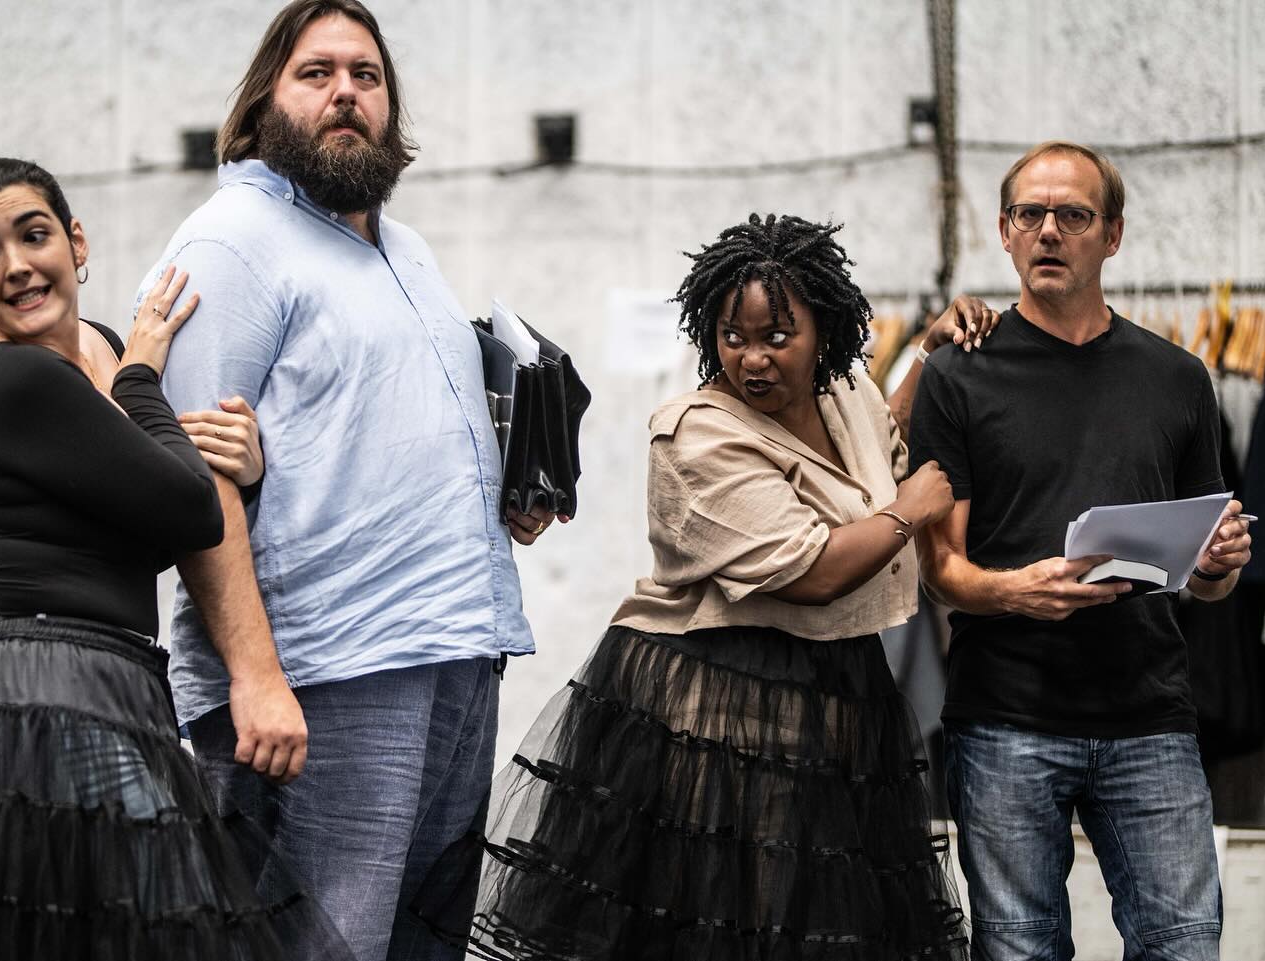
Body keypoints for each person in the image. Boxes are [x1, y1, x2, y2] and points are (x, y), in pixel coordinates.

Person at [413, 213, 994, 960]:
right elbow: (813, 569)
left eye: (777, 338)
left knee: (820, 924)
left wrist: (932, 351)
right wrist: (910, 513)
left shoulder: (841, 391)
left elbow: (875, 444)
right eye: (732, 336)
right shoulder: (695, 434)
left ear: (829, 333)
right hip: (722, 702)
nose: (753, 359)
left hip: (836, 690)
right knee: (731, 919)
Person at [0, 158, 351, 961]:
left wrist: (243, 470)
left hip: (109, 681)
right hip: (50, 691)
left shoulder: (101, 350)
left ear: (76, 242)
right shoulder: (13, 377)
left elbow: (162, 524)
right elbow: (184, 505)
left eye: (33, 235)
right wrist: (146, 374)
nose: (14, 266)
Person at [140, 2, 556, 959]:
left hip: (455, 650)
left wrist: (502, 492)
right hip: (323, 676)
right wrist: (253, 675)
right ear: (263, 102)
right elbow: (194, 479)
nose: (345, 94)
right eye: (316, 73)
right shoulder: (229, 243)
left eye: (365, 76)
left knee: (422, 944)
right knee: (325, 946)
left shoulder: (404, 249)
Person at [911, 140, 1254, 961]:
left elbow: (1207, 580)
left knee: (1183, 946)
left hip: (1151, 718)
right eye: (1031, 214)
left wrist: (1216, 565)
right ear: (1004, 231)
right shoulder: (961, 375)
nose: (1049, 231)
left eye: (1073, 214)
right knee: (1020, 949)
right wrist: (1014, 592)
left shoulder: (1177, 377)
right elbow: (940, 570)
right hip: (1004, 720)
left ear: (1113, 234)